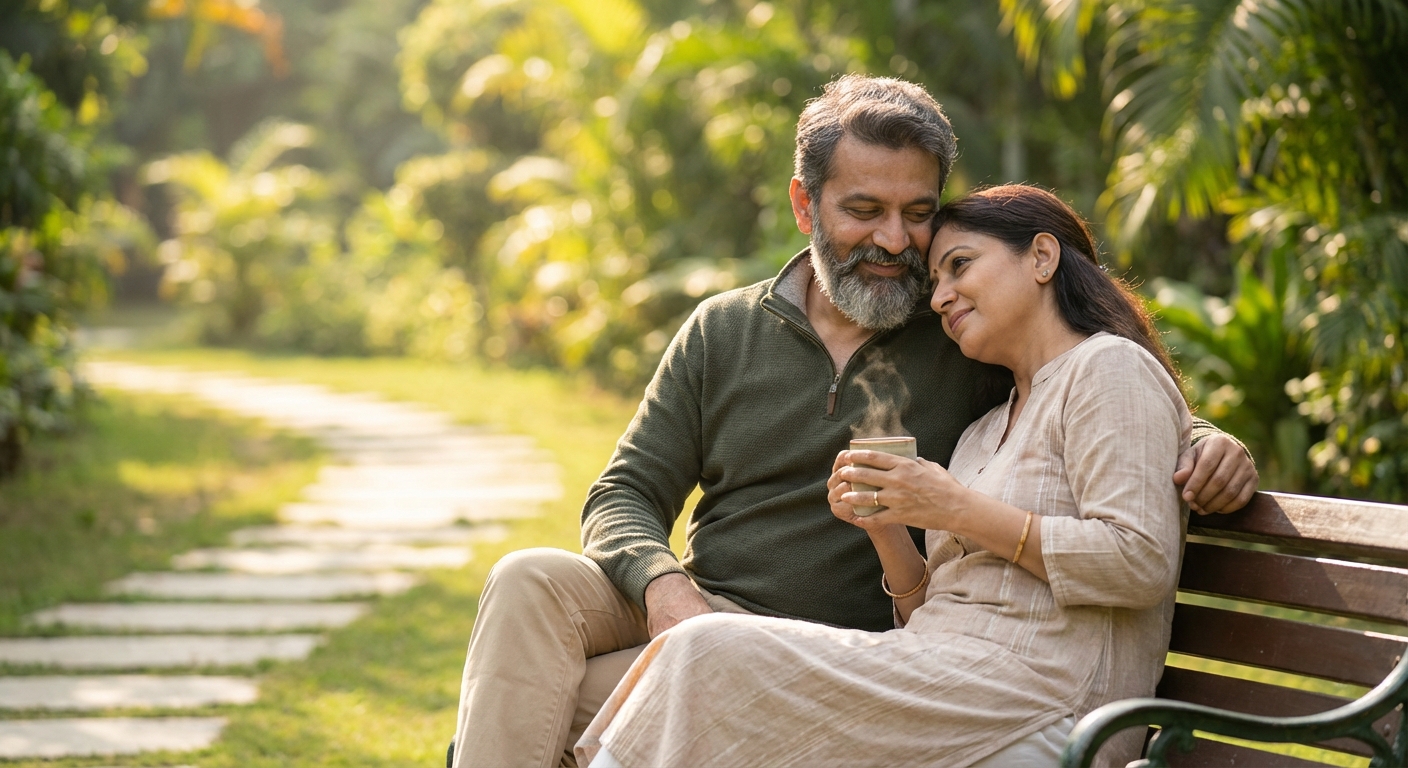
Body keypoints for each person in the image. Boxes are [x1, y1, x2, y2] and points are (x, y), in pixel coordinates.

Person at [449, 75, 1257, 768]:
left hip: (856, 650)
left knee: (554, 711)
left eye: (917, 213)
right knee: (528, 580)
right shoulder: (724, 329)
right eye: (864, 209)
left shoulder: (960, 333)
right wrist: (664, 590)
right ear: (806, 203)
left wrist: (1200, 441)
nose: (894, 240)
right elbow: (625, 491)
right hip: (708, 608)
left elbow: (1084, 385)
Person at [575, 184, 1190, 767]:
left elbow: (1139, 561)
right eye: (936, 278)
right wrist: (890, 530)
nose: (939, 295)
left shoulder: (1107, 369)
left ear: (1042, 256)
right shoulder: (986, 427)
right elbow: (936, 610)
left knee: (705, 650)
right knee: (704, 665)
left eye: (959, 266)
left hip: (1040, 700)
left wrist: (952, 509)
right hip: (939, 674)